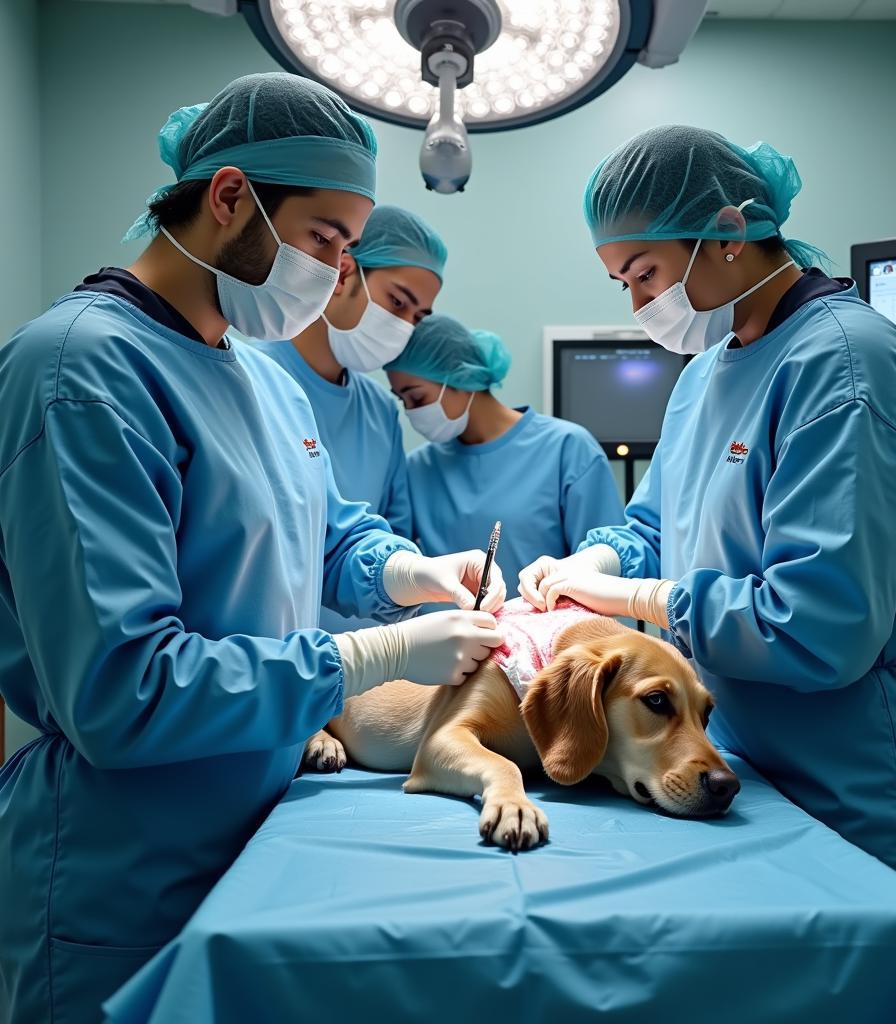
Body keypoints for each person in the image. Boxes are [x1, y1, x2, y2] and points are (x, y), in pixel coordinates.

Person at [0, 73, 506, 1024]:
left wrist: (410, 573)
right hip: (128, 873)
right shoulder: (79, 369)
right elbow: (122, 689)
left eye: (350, 248)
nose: (333, 271)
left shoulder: (260, 381)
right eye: (323, 238)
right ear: (229, 196)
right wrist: (378, 654)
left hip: (260, 833)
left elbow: (321, 535)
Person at [519, 125, 896, 938]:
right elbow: (657, 523)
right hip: (741, 760)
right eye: (621, 282)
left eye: (646, 275)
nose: (638, 304)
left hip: (860, 775)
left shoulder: (846, 367)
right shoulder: (707, 373)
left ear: (729, 234)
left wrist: (637, 596)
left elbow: (821, 626)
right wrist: (591, 560)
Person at [251, 204, 447, 634]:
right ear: (342, 271)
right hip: (265, 660)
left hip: (368, 670)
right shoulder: (249, 377)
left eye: (416, 318)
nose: (403, 327)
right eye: (398, 301)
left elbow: (389, 540)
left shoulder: (379, 410)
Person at [385, 314, 624, 594]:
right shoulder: (418, 468)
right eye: (403, 400)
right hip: (446, 634)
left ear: (460, 377)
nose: (411, 412)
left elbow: (606, 577)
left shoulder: (567, 450)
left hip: (548, 635)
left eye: (417, 398)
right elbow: (398, 569)